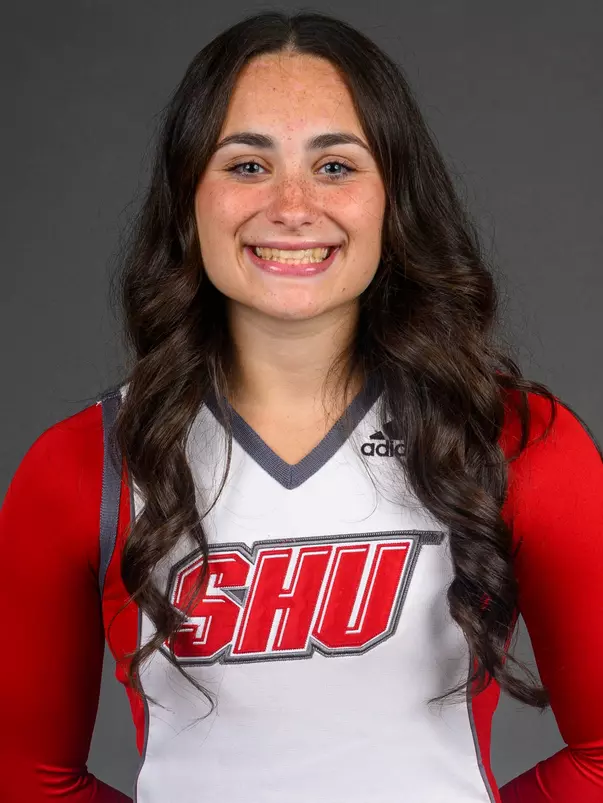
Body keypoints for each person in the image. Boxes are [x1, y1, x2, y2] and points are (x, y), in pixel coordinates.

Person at [1, 9, 602, 803]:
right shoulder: (84, 465)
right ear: (189, 199)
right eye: (246, 165)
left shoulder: (514, 443)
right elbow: (25, 778)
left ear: (393, 197)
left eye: (335, 166)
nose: (291, 205)